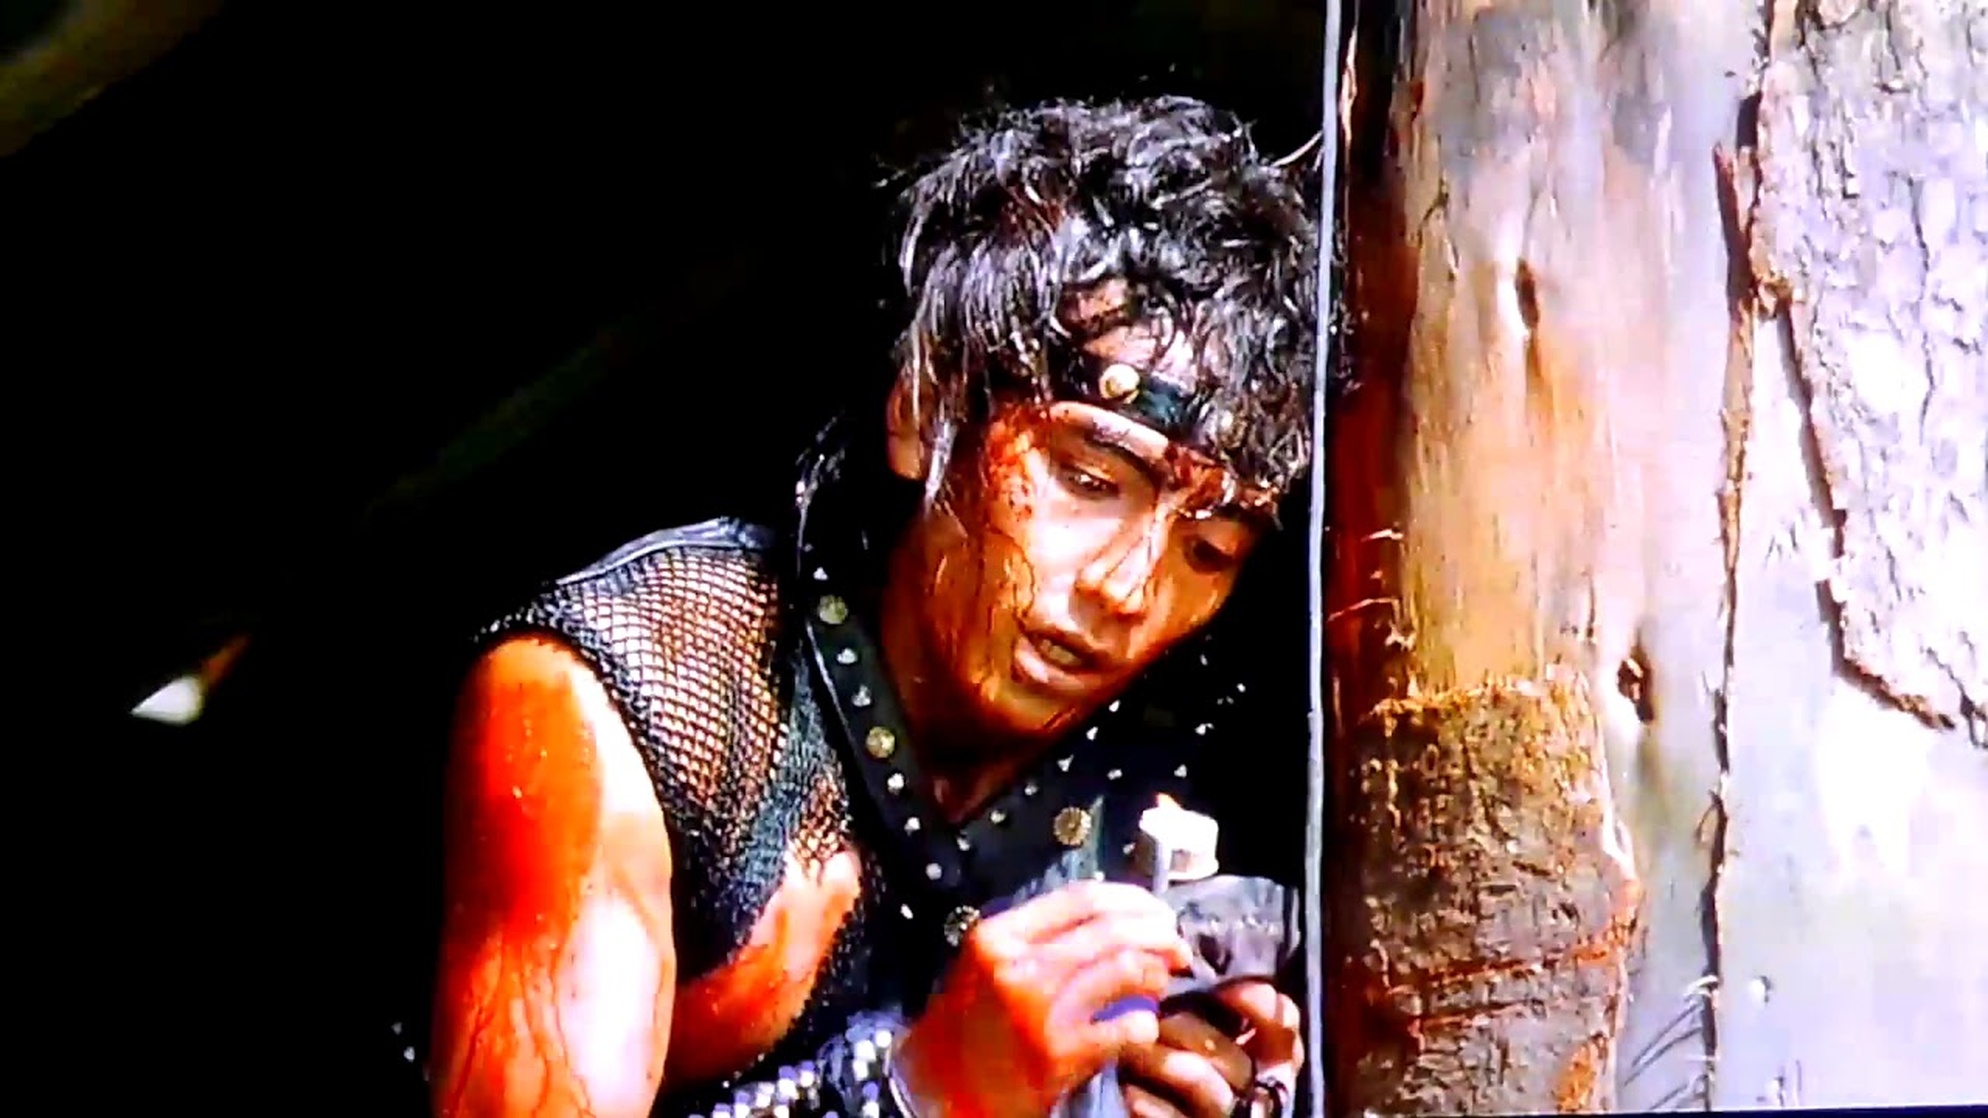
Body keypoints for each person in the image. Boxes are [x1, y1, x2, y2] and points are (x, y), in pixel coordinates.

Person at [429, 95, 1320, 1118]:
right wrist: (919, 1094)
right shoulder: (628, 702)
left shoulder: (1202, 738)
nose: (1126, 591)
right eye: (1085, 479)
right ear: (925, 407)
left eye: (1207, 549)